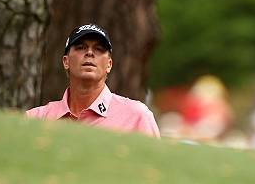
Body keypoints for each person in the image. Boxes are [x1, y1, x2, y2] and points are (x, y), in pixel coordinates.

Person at [26, 24, 160, 138]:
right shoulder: (36, 119)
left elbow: (155, 167)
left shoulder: (137, 116)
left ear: (109, 64)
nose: (90, 53)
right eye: (80, 47)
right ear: (66, 61)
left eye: (99, 49)